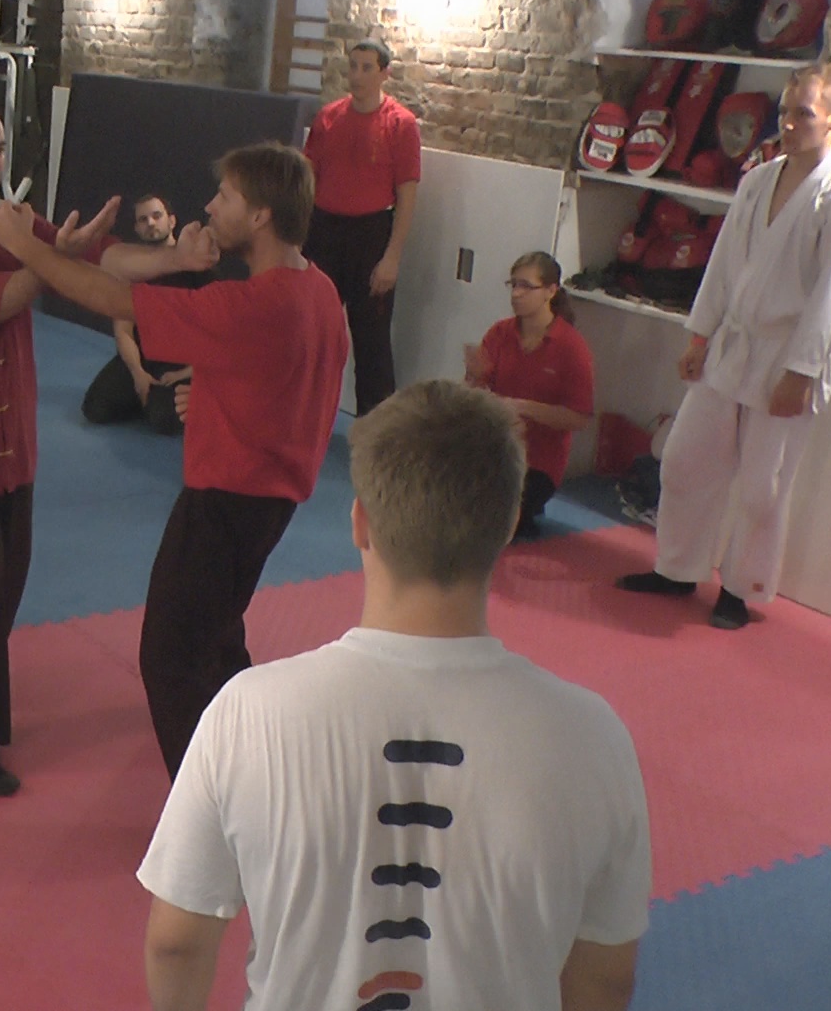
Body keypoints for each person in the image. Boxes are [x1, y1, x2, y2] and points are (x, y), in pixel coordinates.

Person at [136, 380, 652, 1011]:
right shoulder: (593, 737)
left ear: (361, 523)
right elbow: (606, 978)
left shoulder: (247, 713)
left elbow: (176, 944)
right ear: (509, 523)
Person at [0, 98, 215, 797]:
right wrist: (49, 256)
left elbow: (99, 256)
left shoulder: (7, 222)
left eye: (0, 149)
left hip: (4, 443)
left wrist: (173, 257)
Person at [0, 141, 348, 779]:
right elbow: (286, 383)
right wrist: (211, 391)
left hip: (226, 501)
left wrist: (25, 247)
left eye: (226, 197)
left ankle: (208, 809)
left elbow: (113, 299)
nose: (210, 207)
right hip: (272, 500)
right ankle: (250, 763)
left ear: (261, 215)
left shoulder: (254, 305)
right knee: (217, 638)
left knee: (171, 657)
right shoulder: (318, 291)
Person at [617, 63, 831, 630]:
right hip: (731, 346)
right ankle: (677, 568)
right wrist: (700, 334)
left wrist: (801, 372)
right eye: (785, 112)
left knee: (764, 488)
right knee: (685, 460)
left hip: (787, 358)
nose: (789, 124)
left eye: (803, 114)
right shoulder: (758, 180)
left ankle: (740, 588)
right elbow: (723, 264)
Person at [304, 38, 421, 416]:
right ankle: (305, 415)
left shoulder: (401, 124)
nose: (356, 75)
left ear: (385, 73)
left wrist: (392, 257)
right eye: (352, 66)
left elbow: (406, 196)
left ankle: (377, 431)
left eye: (366, 67)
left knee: (372, 341)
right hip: (323, 231)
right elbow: (308, 181)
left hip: (371, 234)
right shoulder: (328, 118)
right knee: (313, 332)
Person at [464, 251, 595, 540]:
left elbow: (579, 417)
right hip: (494, 448)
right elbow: (473, 398)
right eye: (513, 284)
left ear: (551, 291)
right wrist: (474, 377)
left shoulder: (571, 346)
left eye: (526, 286)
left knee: (490, 522)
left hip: (538, 461)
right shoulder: (500, 333)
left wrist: (521, 407)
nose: (516, 293)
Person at [79, 193, 195, 435]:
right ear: (137, 229)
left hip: (179, 362)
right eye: (143, 220)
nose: (150, 223)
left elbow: (213, 337)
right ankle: (144, 398)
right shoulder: (131, 272)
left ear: (172, 221)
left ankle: (155, 401)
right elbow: (123, 331)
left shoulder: (195, 269)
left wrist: (186, 373)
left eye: (157, 216)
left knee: (165, 420)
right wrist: (137, 374)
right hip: (143, 357)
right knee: (95, 408)